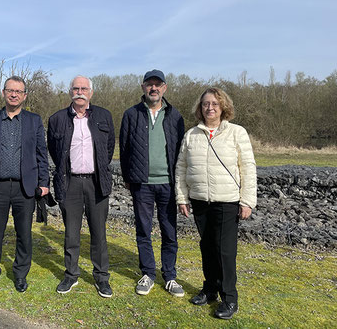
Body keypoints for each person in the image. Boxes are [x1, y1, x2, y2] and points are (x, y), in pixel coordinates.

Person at [175, 87, 257, 320]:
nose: (209, 108)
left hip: (228, 201)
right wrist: (182, 197)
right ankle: (210, 289)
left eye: (214, 104)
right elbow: (181, 168)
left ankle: (229, 298)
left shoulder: (236, 133)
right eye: (205, 104)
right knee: (207, 247)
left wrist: (247, 200)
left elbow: (248, 168)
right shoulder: (192, 135)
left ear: (223, 107)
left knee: (226, 252)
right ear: (200, 108)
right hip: (200, 200)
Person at [0, 76, 49, 294]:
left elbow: (42, 155)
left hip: (26, 187)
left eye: (18, 91)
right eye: (10, 90)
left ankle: (21, 275)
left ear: (24, 96)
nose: (14, 94)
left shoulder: (34, 121)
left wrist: (44, 182)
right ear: (4, 93)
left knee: (24, 233)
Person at [47, 75, 115, 298]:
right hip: (71, 182)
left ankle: (101, 277)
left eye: (84, 88)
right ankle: (71, 275)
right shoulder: (57, 119)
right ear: (70, 92)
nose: (79, 92)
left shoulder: (104, 116)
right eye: (75, 88)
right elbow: (54, 150)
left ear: (91, 92)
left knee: (99, 232)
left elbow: (109, 146)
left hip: (97, 182)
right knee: (71, 233)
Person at [119, 69, 185, 297]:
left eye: (158, 84)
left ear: (165, 88)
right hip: (142, 184)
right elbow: (124, 148)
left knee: (169, 231)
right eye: (149, 84)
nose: (153, 88)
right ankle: (147, 273)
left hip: (168, 183)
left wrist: (181, 182)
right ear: (143, 87)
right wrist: (129, 178)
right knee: (143, 230)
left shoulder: (175, 116)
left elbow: (180, 152)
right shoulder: (131, 114)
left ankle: (170, 276)